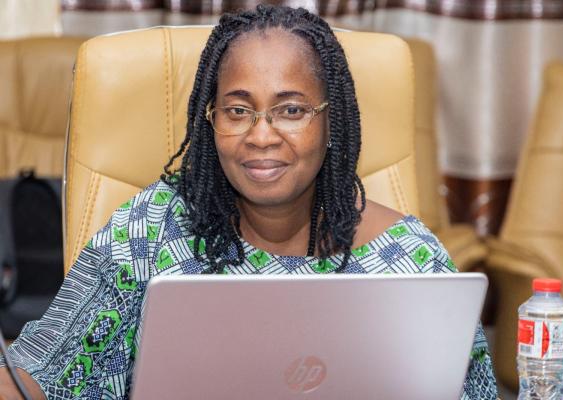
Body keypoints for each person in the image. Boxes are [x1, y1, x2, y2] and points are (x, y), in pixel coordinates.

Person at [0, 5, 498, 399]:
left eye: (291, 110)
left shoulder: (411, 261)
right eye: (238, 110)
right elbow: (35, 377)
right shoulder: (150, 230)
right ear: (210, 120)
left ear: (332, 121)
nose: (261, 135)